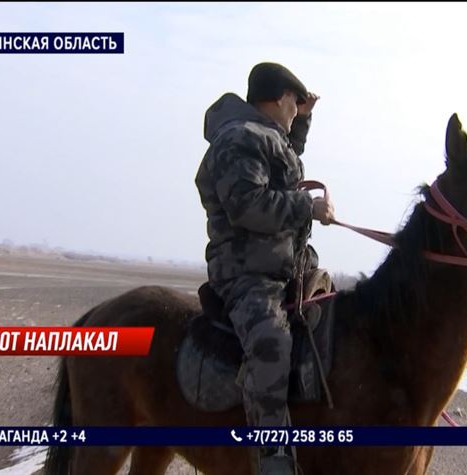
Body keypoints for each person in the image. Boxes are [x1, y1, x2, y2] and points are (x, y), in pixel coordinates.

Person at [194, 62, 335, 474]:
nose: (296, 111)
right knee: (271, 345)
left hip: (286, 266)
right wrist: (307, 207)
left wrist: (304, 121)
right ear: (278, 99)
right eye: (295, 102)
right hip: (247, 273)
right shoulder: (238, 138)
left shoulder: (266, 136)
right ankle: (273, 459)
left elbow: (285, 160)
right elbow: (247, 205)